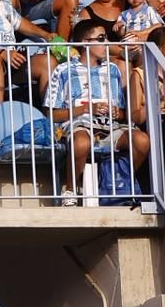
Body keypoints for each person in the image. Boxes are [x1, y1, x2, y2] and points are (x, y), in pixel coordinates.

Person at [44, 20, 147, 205]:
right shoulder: (63, 70)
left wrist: (119, 112)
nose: (107, 42)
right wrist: (85, 109)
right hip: (79, 125)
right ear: (85, 43)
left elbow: (125, 112)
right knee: (82, 142)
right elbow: (51, 113)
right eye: (101, 38)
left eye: (106, 37)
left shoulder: (113, 69)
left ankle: (120, 180)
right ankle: (70, 189)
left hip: (111, 127)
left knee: (142, 141)